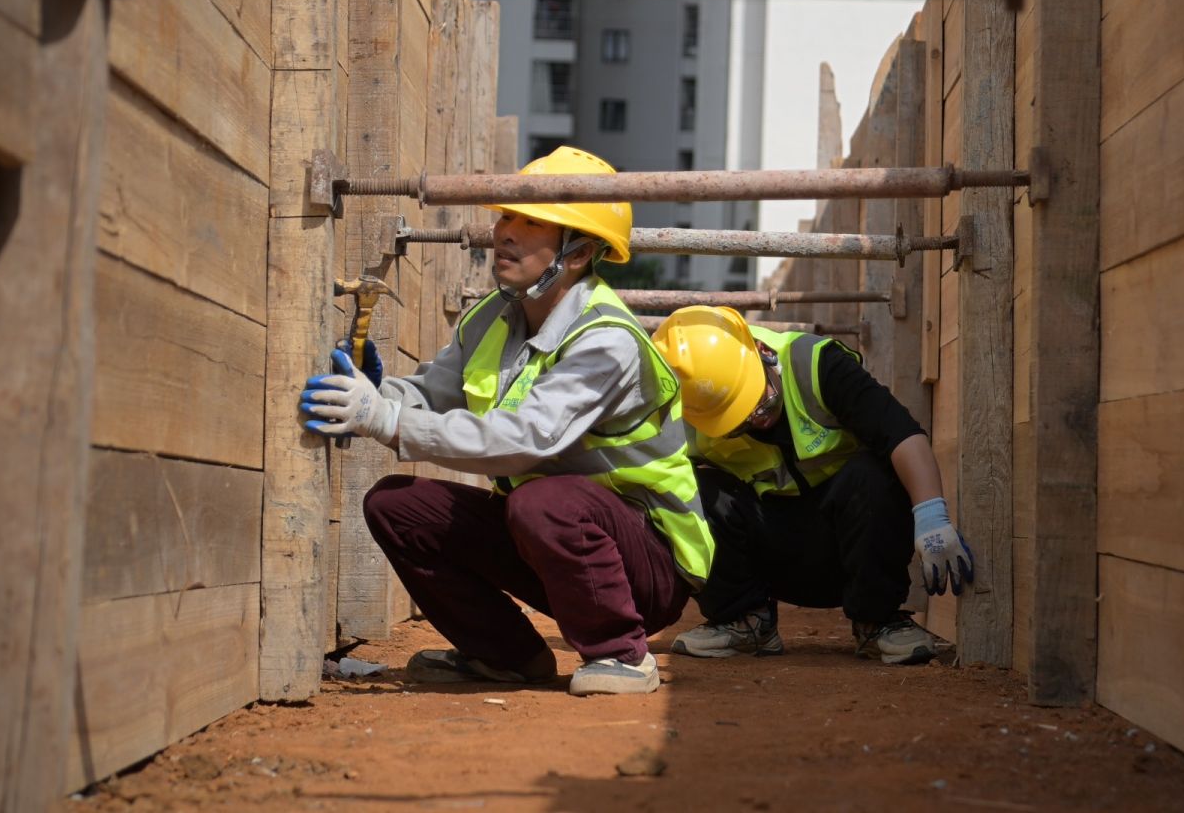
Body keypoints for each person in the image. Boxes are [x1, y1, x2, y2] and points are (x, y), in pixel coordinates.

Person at [299, 146, 714, 696]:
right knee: (396, 506)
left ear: (578, 252)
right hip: (553, 539)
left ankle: (621, 653)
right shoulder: (493, 316)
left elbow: (525, 442)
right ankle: (507, 657)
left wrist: (385, 418)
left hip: (646, 565)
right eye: (506, 216)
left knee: (542, 500)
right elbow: (430, 396)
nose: (505, 232)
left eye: (531, 222)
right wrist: (370, 395)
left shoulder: (606, 339)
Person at [650, 305, 974, 665]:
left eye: (761, 400)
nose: (758, 420)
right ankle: (744, 620)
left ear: (761, 351)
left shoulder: (816, 364)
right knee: (688, 487)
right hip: (766, 553)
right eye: (738, 420)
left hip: (852, 549)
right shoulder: (684, 418)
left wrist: (932, 516)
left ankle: (876, 621)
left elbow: (901, 434)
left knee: (874, 473)